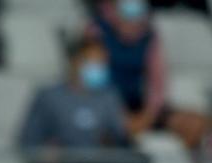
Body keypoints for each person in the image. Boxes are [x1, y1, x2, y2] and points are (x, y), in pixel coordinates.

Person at [19, 37, 149, 163]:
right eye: (94, 62)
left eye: (103, 64)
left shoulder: (110, 97)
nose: (100, 68)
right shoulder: (49, 96)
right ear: (75, 62)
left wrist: (116, 141)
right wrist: (43, 154)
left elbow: (122, 138)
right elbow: (28, 139)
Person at [86, 0, 210, 147]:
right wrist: (118, 116)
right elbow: (91, 81)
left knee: (194, 123)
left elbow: (157, 83)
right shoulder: (97, 31)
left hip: (142, 108)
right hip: (105, 106)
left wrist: (147, 116)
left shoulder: (149, 35)